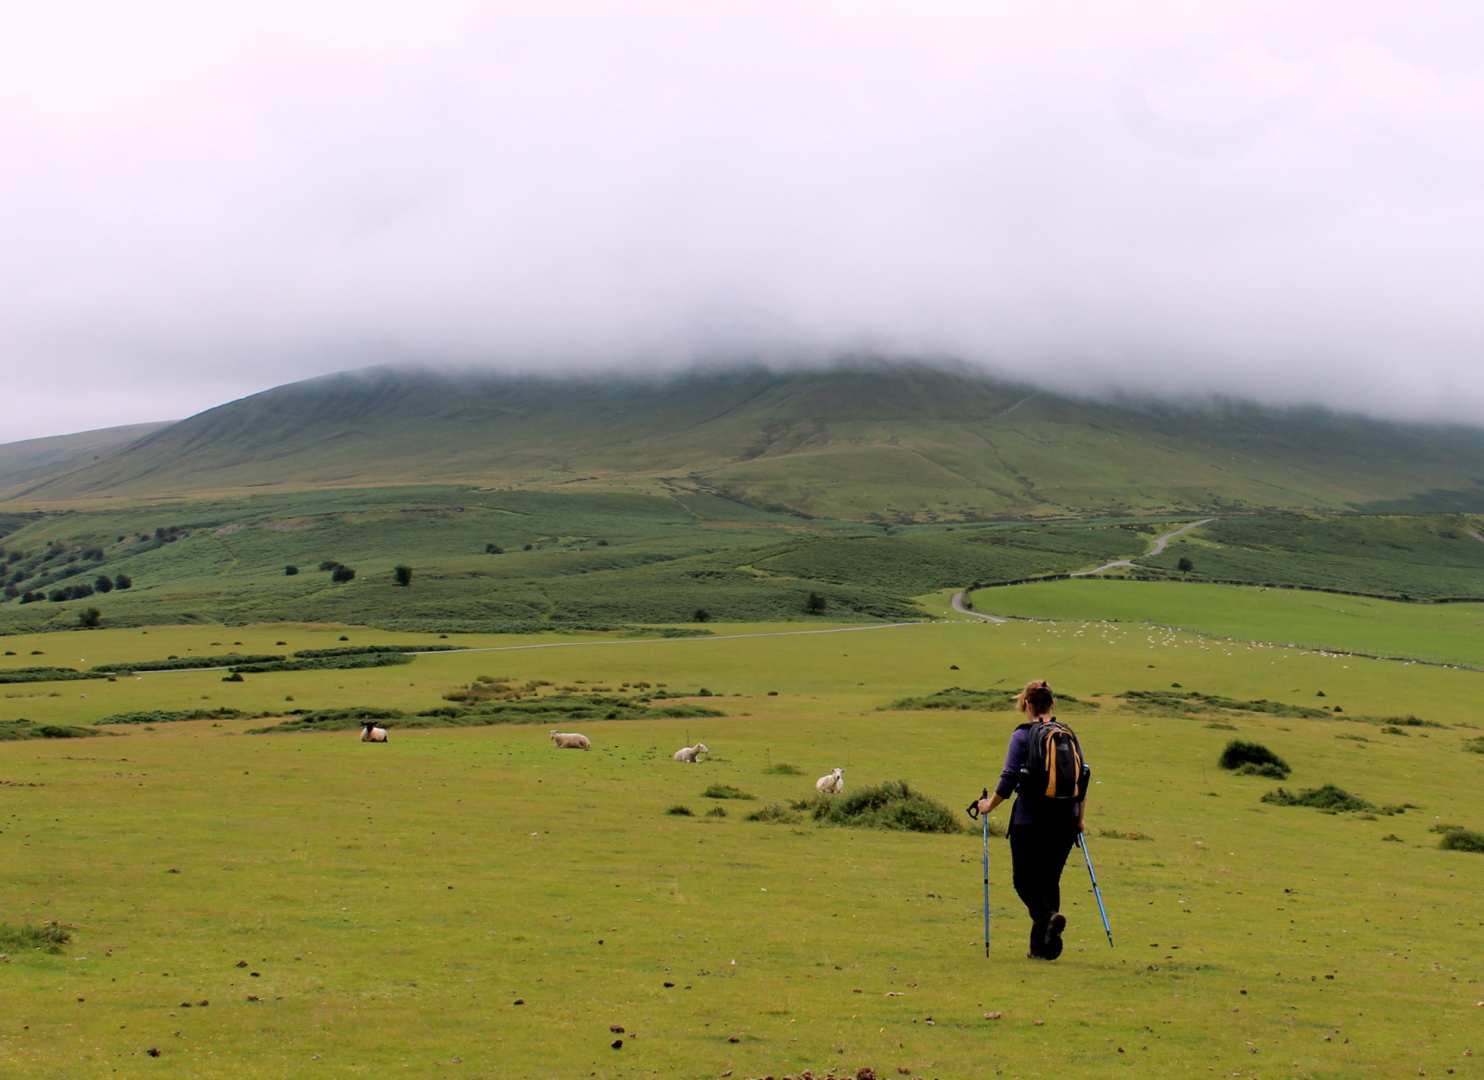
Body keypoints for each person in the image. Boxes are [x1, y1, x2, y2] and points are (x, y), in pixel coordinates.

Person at [976, 679, 1087, 960]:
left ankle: (1048, 917)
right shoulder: (1068, 735)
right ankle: (1043, 949)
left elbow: (1009, 778)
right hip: (1065, 820)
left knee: (1024, 881)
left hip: (1030, 821)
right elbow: (1082, 777)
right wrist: (1080, 819)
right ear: (1052, 704)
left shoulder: (1022, 735)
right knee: (1050, 881)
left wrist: (989, 805)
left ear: (1026, 704)